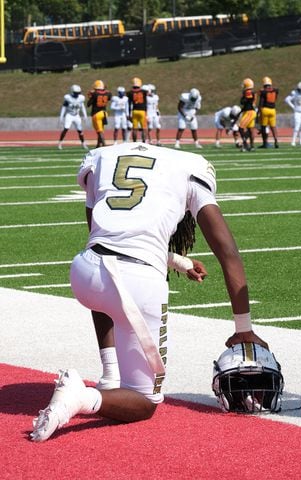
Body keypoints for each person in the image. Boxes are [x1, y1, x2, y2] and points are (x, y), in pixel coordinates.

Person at [31, 142, 269, 442]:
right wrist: (244, 329)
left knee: (107, 275)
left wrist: (178, 261)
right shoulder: (192, 167)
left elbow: (107, 237)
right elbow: (228, 252)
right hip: (135, 282)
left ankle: (110, 374)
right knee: (145, 402)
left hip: (85, 272)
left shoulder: (103, 156)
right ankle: (82, 397)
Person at [58, 84, 88, 150]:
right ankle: (60, 143)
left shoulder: (81, 98)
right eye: (75, 93)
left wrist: (85, 115)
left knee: (80, 130)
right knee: (66, 129)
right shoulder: (68, 98)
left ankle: (83, 144)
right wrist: (61, 116)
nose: (77, 94)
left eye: (78, 93)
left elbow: (82, 107)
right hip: (69, 115)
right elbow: (64, 108)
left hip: (77, 115)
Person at [87, 80, 112, 148]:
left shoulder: (95, 94)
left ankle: (104, 145)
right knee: (101, 130)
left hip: (97, 114)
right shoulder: (108, 93)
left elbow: (88, 104)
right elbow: (109, 96)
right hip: (104, 113)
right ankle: (98, 145)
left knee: (99, 131)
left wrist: (90, 97)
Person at [257, 76, 279, 149]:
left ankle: (265, 143)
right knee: (273, 127)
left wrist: (258, 112)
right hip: (273, 110)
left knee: (264, 127)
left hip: (265, 110)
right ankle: (276, 140)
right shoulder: (275, 90)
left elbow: (261, 103)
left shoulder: (263, 92)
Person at [127, 77, 148, 142]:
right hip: (142, 111)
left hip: (134, 111)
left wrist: (129, 114)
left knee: (135, 128)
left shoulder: (130, 93)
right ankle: (144, 142)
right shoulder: (144, 92)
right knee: (144, 128)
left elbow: (129, 104)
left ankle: (134, 142)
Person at [239, 78, 257, 152]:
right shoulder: (250, 92)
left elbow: (245, 101)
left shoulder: (248, 92)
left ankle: (245, 144)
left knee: (241, 128)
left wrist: (242, 99)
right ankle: (251, 146)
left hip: (249, 112)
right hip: (250, 111)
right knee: (250, 130)